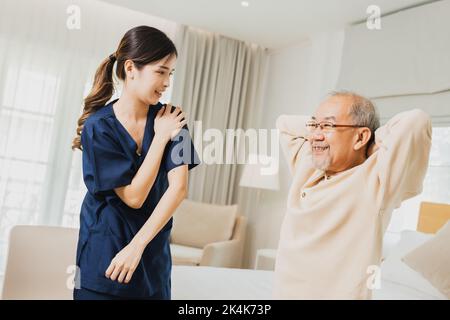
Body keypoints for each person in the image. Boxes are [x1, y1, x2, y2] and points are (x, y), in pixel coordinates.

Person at [71, 25, 199, 300]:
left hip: (153, 263)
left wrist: (138, 245)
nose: (166, 83)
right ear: (131, 68)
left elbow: (178, 190)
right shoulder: (98, 127)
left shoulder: (175, 118)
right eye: (160, 71)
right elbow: (134, 197)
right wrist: (162, 137)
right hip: (106, 259)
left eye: (171, 73)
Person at [273, 91, 432, 299]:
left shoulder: (377, 180)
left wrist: (370, 145)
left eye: (328, 126)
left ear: (361, 136)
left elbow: (416, 121)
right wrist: (320, 127)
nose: (315, 136)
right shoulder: (309, 164)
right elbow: (283, 124)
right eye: (314, 125)